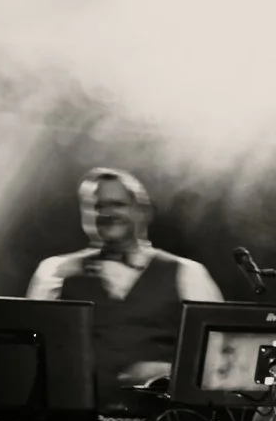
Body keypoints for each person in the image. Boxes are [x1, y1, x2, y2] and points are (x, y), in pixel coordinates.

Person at [26, 167, 222, 403]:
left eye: (117, 204)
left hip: (159, 416)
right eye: (97, 206)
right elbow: (30, 352)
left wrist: (170, 372)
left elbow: (217, 356)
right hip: (74, 415)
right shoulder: (56, 271)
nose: (107, 213)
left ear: (143, 211)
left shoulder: (187, 272)